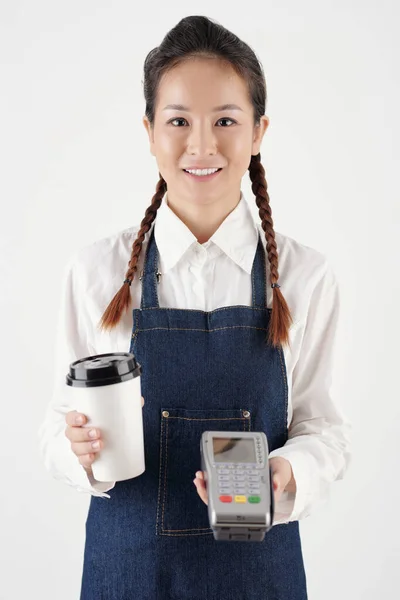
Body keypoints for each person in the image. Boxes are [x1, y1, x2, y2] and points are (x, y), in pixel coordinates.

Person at [38, 15, 351, 600]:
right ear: (150, 131)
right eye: (178, 121)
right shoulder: (97, 273)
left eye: (225, 121)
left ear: (258, 132)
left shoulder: (306, 279)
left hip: (260, 576)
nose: (201, 145)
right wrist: (74, 449)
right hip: (126, 573)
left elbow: (322, 429)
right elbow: (57, 427)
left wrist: (290, 475)